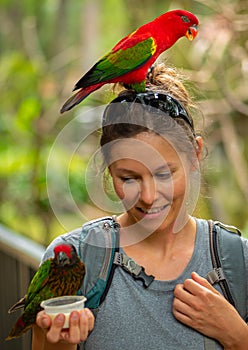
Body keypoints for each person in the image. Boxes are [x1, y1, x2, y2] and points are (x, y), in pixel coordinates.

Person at [33, 64, 248, 350]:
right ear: (109, 171)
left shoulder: (238, 261)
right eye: (129, 178)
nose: (148, 196)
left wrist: (236, 335)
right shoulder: (73, 259)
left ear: (195, 155)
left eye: (164, 174)